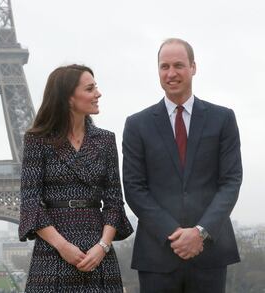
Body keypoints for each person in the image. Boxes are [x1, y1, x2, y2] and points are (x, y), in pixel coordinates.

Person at [122, 38, 243, 293]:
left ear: (193, 67)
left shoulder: (223, 119)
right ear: (158, 70)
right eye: (164, 66)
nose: (171, 73)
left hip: (209, 253)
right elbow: (134, 188)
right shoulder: (136, 125)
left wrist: (200, 232)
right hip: (157, 255)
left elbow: (230, 182)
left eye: (178, 65)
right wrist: (174, 233)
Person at [19, 64, 133, 292]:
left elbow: (114, 201)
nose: (98, 94)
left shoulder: (105, 140)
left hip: (97, 247)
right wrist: (62, 246)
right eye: (90, 89)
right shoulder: (37, 140)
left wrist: (102, 246)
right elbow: (31, 203)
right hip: (53, 247)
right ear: (69, 97)